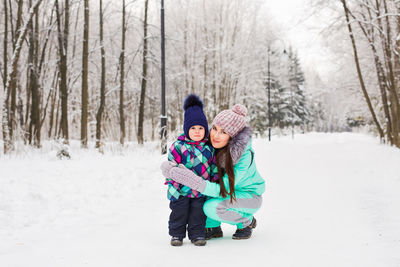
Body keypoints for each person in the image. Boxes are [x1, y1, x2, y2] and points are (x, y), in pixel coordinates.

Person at [162, 104, 265, 240]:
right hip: (229, 195)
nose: (216, 135)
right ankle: (213, 227)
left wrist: (193, 181)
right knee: (206, 192)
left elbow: (224, 189)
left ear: (232, 137)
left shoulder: (243, 157)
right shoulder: (212, 145)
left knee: (211, 207)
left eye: (223, 132)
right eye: (215, 128)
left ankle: (246, 222)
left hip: (249, 196)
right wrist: (170, 168)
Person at [164, 94, 218, 247]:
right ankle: (177, 234)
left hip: (200, 190)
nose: (196, 131)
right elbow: (171, 169)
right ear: (186, 129)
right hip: (180, 190)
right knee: (178, 213)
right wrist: (172, 187)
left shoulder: (208, 148)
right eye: (193, 128)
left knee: (198, 214)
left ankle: (197, 234)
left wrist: (213, 182)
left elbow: (213, 167)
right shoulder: (178, 146)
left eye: (200, 128)